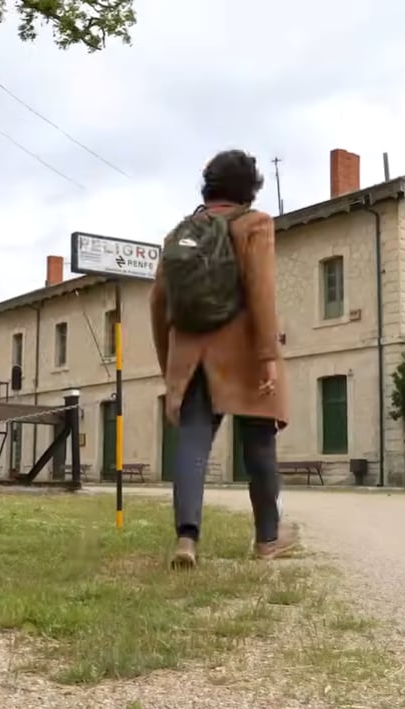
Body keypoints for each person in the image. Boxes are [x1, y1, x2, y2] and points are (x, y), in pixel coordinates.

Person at [149, 149, 299, 569]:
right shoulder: (255, 225)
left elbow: (157, 302)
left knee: (192, 442)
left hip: (191, 353)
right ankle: (268, 539)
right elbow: (261, 291)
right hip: (246, 351)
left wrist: (170, 364)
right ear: (248, 189)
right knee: (258, 445)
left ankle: (186, 538)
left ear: (208, 185)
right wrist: (268, 355)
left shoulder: (181, 233)